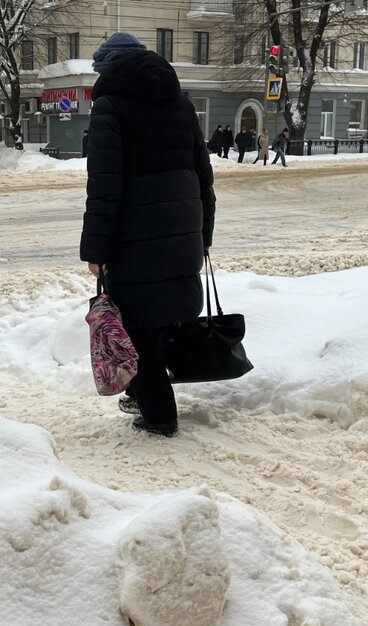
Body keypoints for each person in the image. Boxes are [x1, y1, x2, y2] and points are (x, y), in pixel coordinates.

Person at [81, 33, 215, 438]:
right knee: (161, 316)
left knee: (136, 322)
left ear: (107, 70)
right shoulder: (182, 104)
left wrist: (96, 249)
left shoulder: (110, 108)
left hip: (133, 236)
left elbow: (105, 186)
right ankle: (143, 394)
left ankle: (159, 415)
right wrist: (203, 233)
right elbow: (203, 176)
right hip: (183, 228)